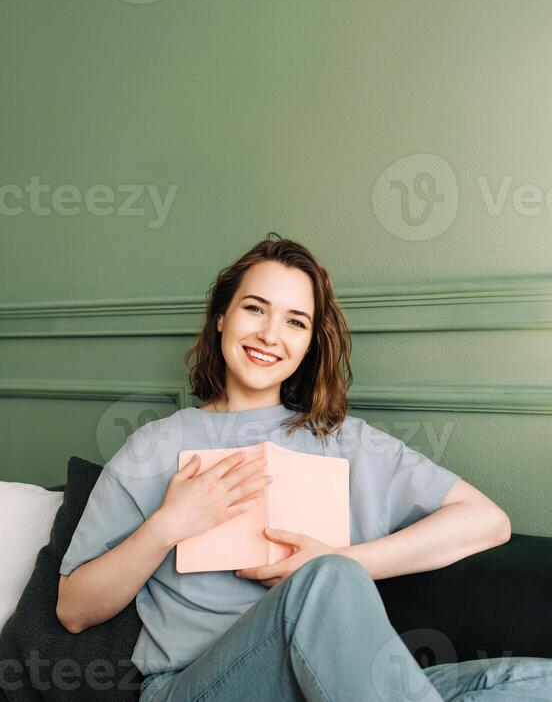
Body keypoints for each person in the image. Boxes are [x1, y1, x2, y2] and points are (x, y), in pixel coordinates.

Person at [56, 234, 552, 701]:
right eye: (255, 309)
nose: (270, 334)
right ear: (222, 317)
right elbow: (74, 609)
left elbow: (488, 521)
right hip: (196, 685)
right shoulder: (156, 445)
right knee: (324, 581)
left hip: (331, 682)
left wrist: (341, 559)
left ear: (311, 340)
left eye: (295, 321)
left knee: (533, 680)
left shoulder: (343, 440)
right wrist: (168, 524)